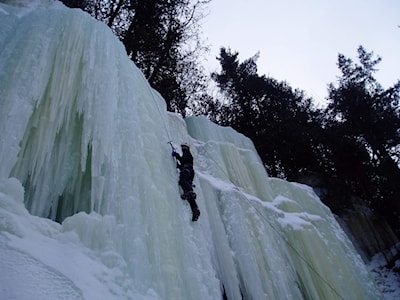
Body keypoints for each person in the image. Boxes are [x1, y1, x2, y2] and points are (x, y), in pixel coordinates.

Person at [172, 143, 200, 221]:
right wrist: (179, 165)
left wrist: (177, 155)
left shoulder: (187, 152)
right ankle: (195, 209)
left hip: (187, 170)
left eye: (183, 146)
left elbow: (183, 160)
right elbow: (183, 162)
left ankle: (191, 192)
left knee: (183, 181)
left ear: (186, 147)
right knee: (186, 189)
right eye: (181, 146)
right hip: (189, 171)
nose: (182, 147)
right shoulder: (187, 154)